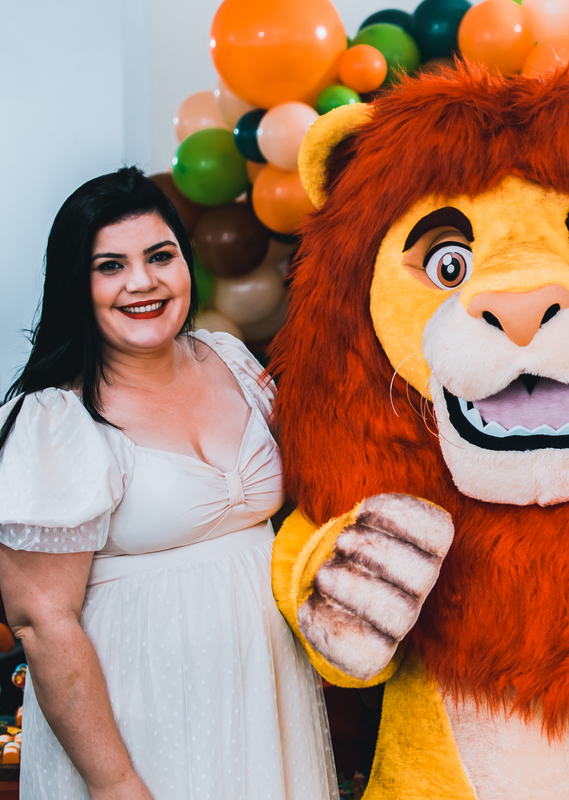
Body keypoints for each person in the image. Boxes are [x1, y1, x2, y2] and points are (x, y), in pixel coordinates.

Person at [0, 167, 337, 799]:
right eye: (110, 266)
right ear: (77, 282)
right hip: (142, 724)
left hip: (267, 704)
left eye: (161, 256)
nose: (142, 282)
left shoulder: (230, 359)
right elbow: (45, 624)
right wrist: (116, 783)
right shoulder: (56, 420)